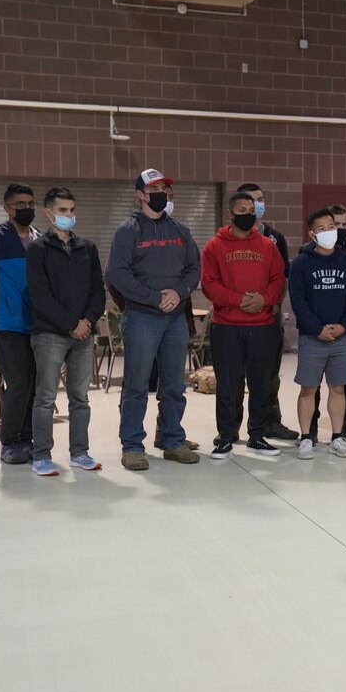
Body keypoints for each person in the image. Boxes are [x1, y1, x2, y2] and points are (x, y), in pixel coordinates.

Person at [108, 168, 201, 471]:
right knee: (136, 384)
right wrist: (153, 297)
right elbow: (117, 275)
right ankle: (132, 445)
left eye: (164, 187)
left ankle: (172, 439)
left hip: (175, 317)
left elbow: (193, 269)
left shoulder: (180, 230)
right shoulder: (128, 230)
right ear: (140, 195)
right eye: (155, 188)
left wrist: (179, 292)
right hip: (142, 317)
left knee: (174, 383)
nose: (162, 193)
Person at [25, 187, 106, 477]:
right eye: (63, 211)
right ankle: (42, 456)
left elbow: (98, 290)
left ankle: (79, 452)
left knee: (80, 398)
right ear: (49, 213)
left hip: (84, 335)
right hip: (50, 334)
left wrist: (87, 321)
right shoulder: (37, 249)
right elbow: (41, 295)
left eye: (72, 210)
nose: (69, 215)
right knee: (45, 398)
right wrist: (71, 324)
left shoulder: (88, 248)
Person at [200, 191, 285, 459]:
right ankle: (226, 436)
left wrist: (263, 300)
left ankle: (257, 436)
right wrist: (240, 300)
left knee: (261, 383)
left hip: (262, 325)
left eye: (251, 209)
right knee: (228, 384)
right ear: (231, 214)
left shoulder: (268, 246)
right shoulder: (214, 246)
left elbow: (278, 280)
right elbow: (209, 285)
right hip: (227, 326)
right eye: (242, 209)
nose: (248, 214)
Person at [288, 208, 346, 460]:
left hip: (344, 338)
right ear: (312, 234)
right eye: (322, 229)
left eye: (332, 226)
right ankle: (307, 437)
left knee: (338, 388)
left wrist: (342, 327)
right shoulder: (300, 264)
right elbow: (299, 303)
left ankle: (337, 437)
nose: (330, 231)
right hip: (312, 338)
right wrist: (317, 329)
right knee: (308, 389)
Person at [0, 182, 40, 465]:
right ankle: (11, 441)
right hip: (9, 324)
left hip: (39, 324)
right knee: (18, 384)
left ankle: (29, 437)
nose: (26, 209)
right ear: (7, 208)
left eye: (30, 204)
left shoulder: (40, 239)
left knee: (37, 385)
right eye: (20, 205)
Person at [235, 183, 299, 442]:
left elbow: (281, 279)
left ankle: (271, 422)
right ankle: (231, 428)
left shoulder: (275, 238)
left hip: (268, 316)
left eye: (260, 200)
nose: (256, 205)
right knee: (236, 377)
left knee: (269, 377)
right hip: (236, 318)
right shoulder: (227, 237)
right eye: (251, 201)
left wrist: (269, 304)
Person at [307, 203, 346, 445]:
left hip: (344, 329)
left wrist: (344, 325)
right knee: (313, 383)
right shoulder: (306, 255)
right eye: (334, 225)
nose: (338, 230)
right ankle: (310, 426)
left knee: (342, 382)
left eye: (343, 226)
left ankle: (343, 425)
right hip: (316, 329)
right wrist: (318, 328)